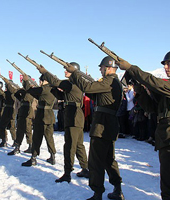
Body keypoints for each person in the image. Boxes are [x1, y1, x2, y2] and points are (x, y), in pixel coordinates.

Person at [117, 50, 170, 200]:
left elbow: (155, 83)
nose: (165, 67)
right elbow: (152, 107)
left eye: (168, 63)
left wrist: (132, 68)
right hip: (168, 136)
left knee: (169, 185)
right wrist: (138, 88)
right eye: (165, 64)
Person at [64, 56, 125, 200]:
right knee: (109, 160)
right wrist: (78, 79)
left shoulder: (109, 81)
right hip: (108, 125)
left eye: (102, 67)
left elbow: (88, 88)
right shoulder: (113, 82)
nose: (100, 69)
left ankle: (97, 193)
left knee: (96, 161)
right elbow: (92, 93)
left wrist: (75, 73)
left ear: (108, 68)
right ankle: (117, 188)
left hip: (102, 126)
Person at [36, 62, 89, 183]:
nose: (65, 71)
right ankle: (85, 168)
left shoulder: (73, 83)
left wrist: (45, 72)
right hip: (75, 116)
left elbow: (56, 82)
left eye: (68, 70)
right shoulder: (74, 84)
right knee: (79, 145)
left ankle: (67, 172)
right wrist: (53, 89)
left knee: (69, 145)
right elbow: (62, 95)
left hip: (73, 116)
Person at [21, 74, 57, 166]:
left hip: (42, 116)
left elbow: (30, 91)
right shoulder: (51, 89)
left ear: (45, 81)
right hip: (49, 116)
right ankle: (52, 156)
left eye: (41, 80)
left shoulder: (44, 89)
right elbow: (34, 94)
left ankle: (33, 158)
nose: (40, 82)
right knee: (49, 137)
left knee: (37, 137)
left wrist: (26, 81)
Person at [7, 78, 34, 155]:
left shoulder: (31, 90)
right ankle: (17, 146)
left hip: (28, 111)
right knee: (19, 129)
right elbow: (15, 93)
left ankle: (30, 146)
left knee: (28, 129)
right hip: (22, 110)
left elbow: (28, 97)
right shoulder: (23, 90)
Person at [0, 80, 19, 147]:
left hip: (8, 110)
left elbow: (0, 96)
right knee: (12, 127)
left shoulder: (10, 92)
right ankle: (14, 141)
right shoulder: (15, 92)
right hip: (12, 110)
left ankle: (4, 141)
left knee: (2, 126)